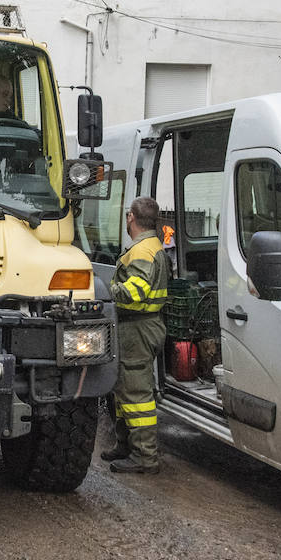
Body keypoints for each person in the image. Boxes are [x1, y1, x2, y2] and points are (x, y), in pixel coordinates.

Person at [103, 195, 171, 475]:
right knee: (125, 389)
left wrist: (104, 292)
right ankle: (126, 446)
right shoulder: (151, 245)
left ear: (130, 217)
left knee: (137, 394)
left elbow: (135, 293)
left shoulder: (142, 251)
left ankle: (144, 457)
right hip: (139, 326)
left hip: (138, 327)